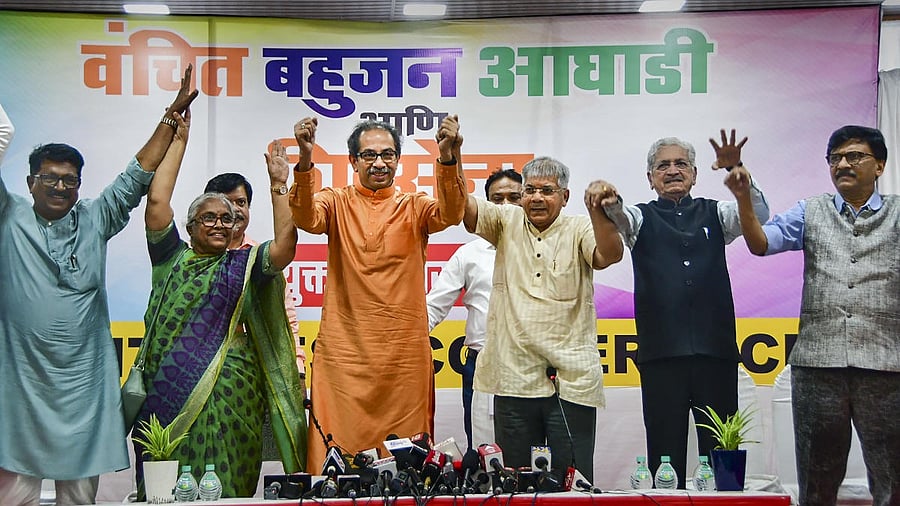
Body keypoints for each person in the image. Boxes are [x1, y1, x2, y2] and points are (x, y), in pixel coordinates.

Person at [0, 67, 197, 505]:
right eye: (49, 178)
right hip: (19, 381)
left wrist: (171, 115)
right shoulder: (7, 215)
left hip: (83, 384)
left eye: (69, 180)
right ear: (30, 182)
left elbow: (137, 175)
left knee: (78, 498)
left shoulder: (94, 217)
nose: (60, 186)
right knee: (14, 497)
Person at [134, 107, 306, 498]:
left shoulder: (244, 265)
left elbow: (284, 247)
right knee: (166, 488)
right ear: (190, 226)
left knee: (230, 485)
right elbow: (157, 201)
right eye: (208, 217)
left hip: (235, 394)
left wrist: (279, 185)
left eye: (226, 219)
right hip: (170, 391)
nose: (218, 224)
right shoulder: (171, 259)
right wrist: (179, 141)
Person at [730, 125, 899, 506]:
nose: (843, 164)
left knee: (893, 481)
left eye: (854, 156)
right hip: (818, 366)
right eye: (835, 158)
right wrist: (743, 198)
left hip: (886, 366)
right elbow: (761, 243)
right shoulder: (811, 210)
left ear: (879, 165)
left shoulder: (898, 214)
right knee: (816, 483)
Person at [288, 115, 467, 470]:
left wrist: (447, 157)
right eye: (369, 155)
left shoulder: (415, 206)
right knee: (336, 457)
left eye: (387, 155)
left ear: (398, 160)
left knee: (406, 463)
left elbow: (451, 213)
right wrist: (306, 158)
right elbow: (306, 218)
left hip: (403, 358)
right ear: (353, 161)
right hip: (344, 356)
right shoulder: (336, 202)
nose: (379, 163)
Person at [598, 130, 769, 488]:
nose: (673, 171)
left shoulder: (716, 212)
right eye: (663, 166)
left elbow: (759, 215)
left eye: (681, 164)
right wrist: (610, 202)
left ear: (694, 173)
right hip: (661, 357)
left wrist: (738, 172)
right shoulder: (640, 217)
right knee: (664, 456)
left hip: (716, 353)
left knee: (723, 455)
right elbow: (619, 218)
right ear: (650, 178)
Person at [463, 156, 624, 483]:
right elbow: (463, 211)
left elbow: (610, 255)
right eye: (530, 190)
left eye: (547, 190)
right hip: (514, 378)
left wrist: (598, 212)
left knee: (573, 482)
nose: (536, 197)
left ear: (565, 196)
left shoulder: (580, 228)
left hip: (570, 382)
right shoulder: (506, 221)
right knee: (515, 484)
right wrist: (450, 159)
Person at [426, 168, 523, 450]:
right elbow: (433, 307)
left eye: (514, 198)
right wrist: (400, 344)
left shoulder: (546, 248)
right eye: (497, 199)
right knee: (485, 451)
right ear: (485, 205)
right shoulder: (468, 254)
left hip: (533, 364)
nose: (506, 206)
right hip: (482, 364)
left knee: (535, 454)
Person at [204, 172, 307, 376]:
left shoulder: (261, 259)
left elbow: (286, 321)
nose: (235, 210)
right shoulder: (192, 262)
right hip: (201, 372)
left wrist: (298, 370)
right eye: (227, 202)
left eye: (241, 202)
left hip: (253, 373)